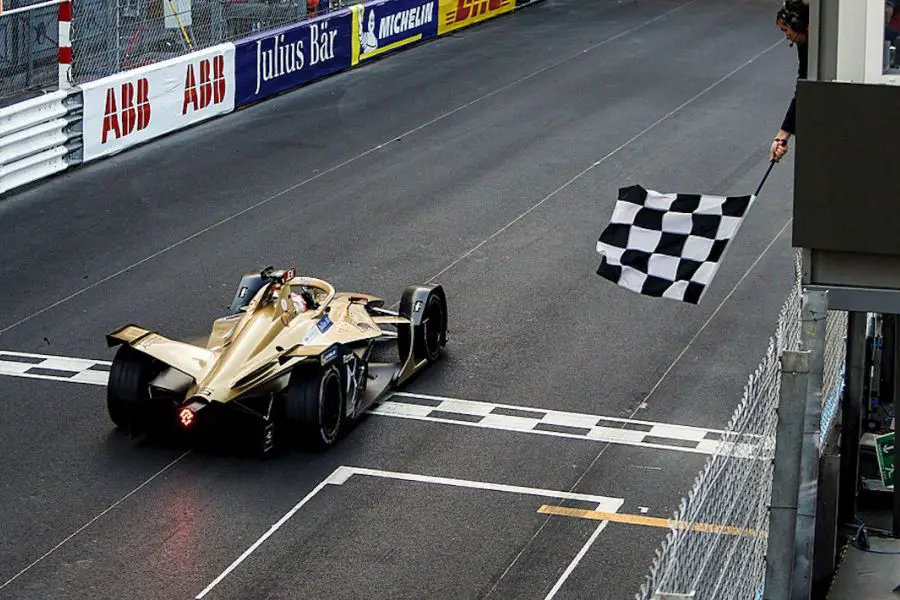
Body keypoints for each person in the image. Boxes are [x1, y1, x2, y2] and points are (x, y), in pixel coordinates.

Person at [770, 0, 809, 163]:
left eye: (786, 29)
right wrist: (782, 136)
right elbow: (803, 89)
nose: (786, 36)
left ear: (798, 25)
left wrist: (783, 134)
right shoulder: (804, 44)